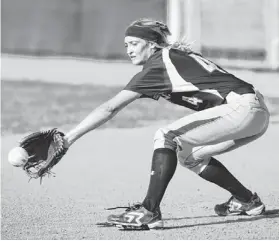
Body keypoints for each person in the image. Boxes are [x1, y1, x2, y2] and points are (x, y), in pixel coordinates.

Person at [63, 18, 270, 229]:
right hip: (254, 113)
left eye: (134, 43)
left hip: (242, 109)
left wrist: (67, 139)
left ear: (151, 44)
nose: (129, 50)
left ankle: (149, 211)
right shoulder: (172, 58)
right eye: (126, 45)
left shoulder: (160, 63)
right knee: (189, 156)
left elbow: (110, 108)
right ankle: (247, 200)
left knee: (167, 136)